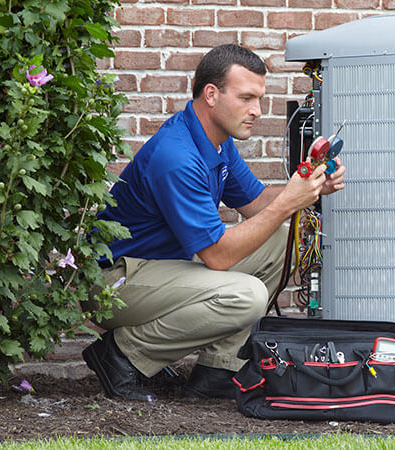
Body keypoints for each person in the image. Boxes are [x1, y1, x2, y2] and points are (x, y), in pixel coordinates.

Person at [82, 44, 345, 401]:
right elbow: (218, 257)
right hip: (114, 282)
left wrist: (311, 189)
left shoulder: (216, 142)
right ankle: (122, 356)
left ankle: (218, 371)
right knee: (245, 295)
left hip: (160, 268)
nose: (257, 111)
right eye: (247, 98)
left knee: (285, 240)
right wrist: (287, 203)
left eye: (260, 99)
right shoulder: (177, 155)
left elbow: (255, 205)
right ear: (211, 94)